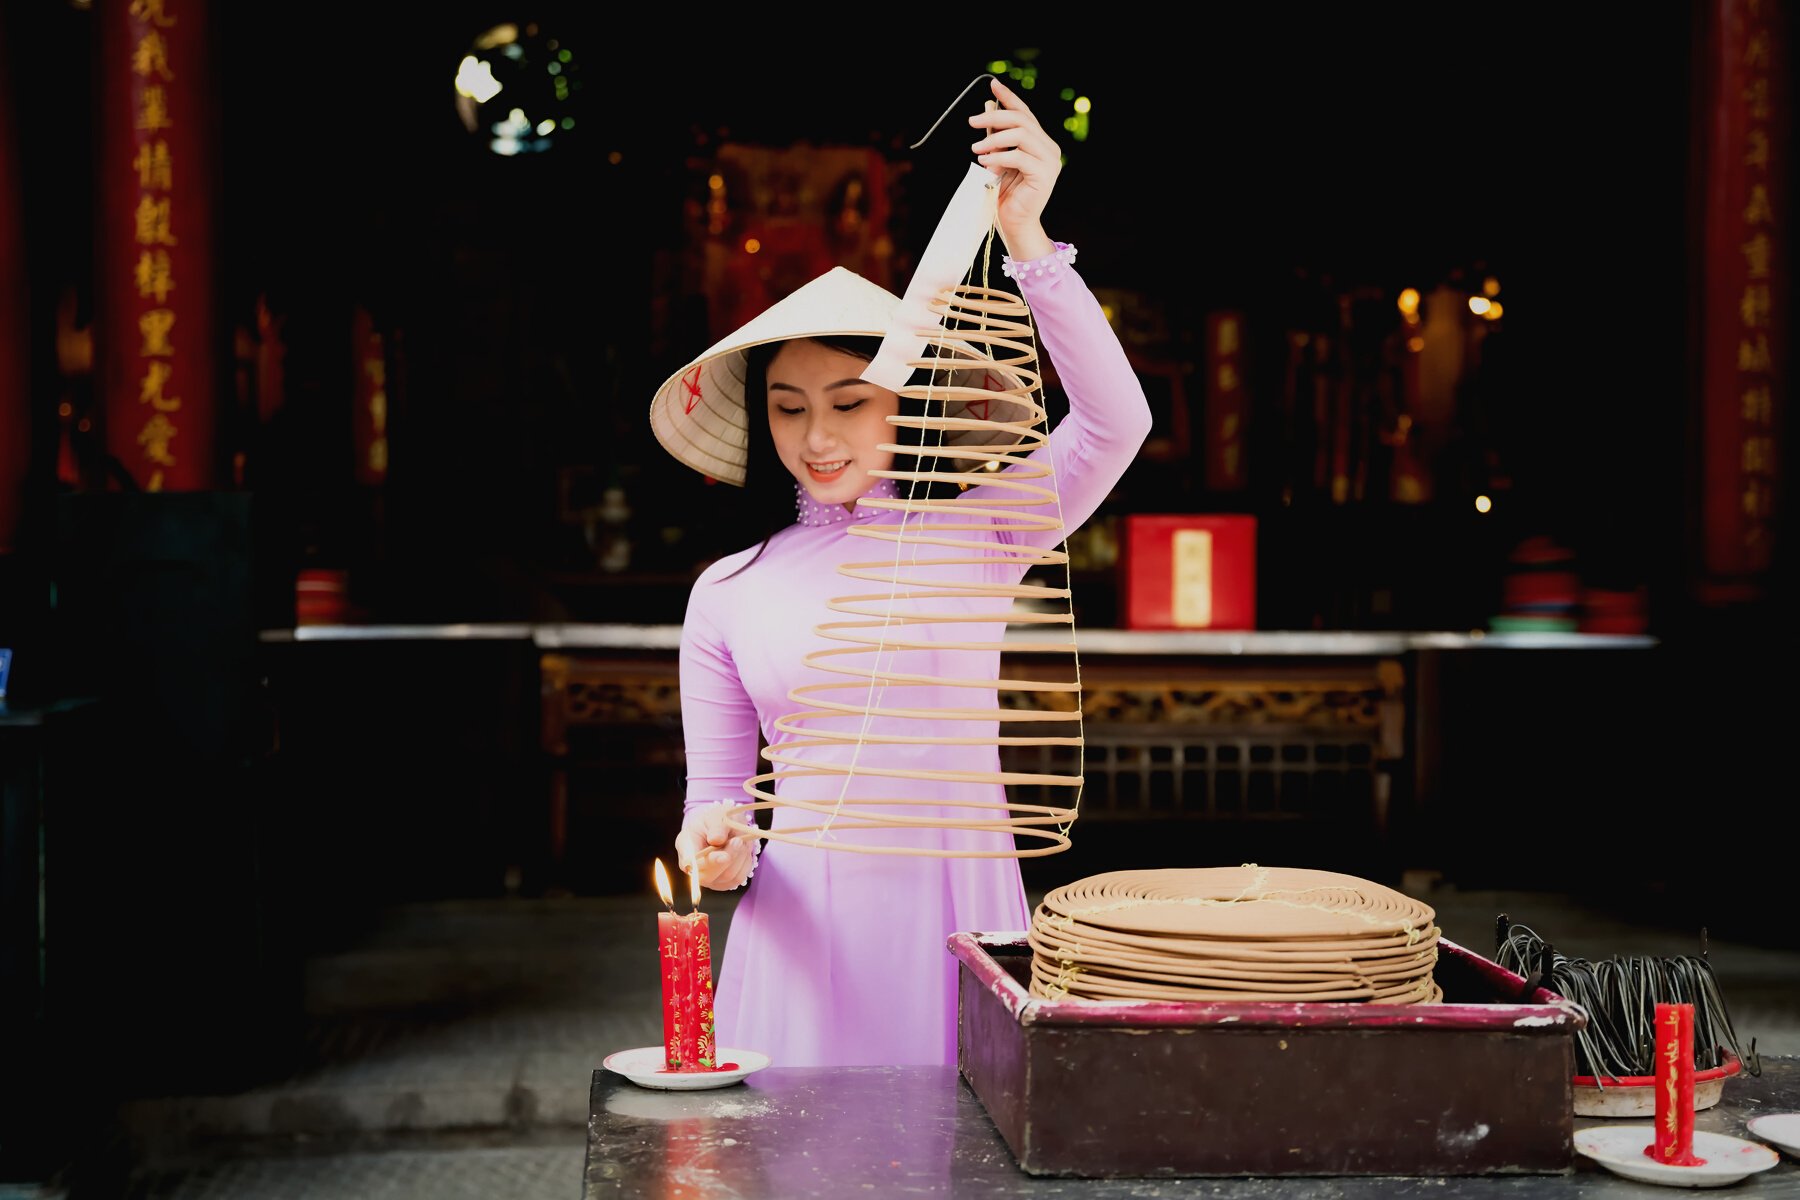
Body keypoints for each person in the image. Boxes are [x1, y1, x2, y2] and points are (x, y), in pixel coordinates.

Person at [649, 77, 1151, 1066]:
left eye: (847, 401)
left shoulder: (985, 529)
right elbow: (715, 800)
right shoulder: (728, 594)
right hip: (799, 939)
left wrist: (1030, 246)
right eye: (789, 408)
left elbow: (1115, 423)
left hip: (959, 913)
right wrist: (714, 844)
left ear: (904, 402)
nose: (818, 436)